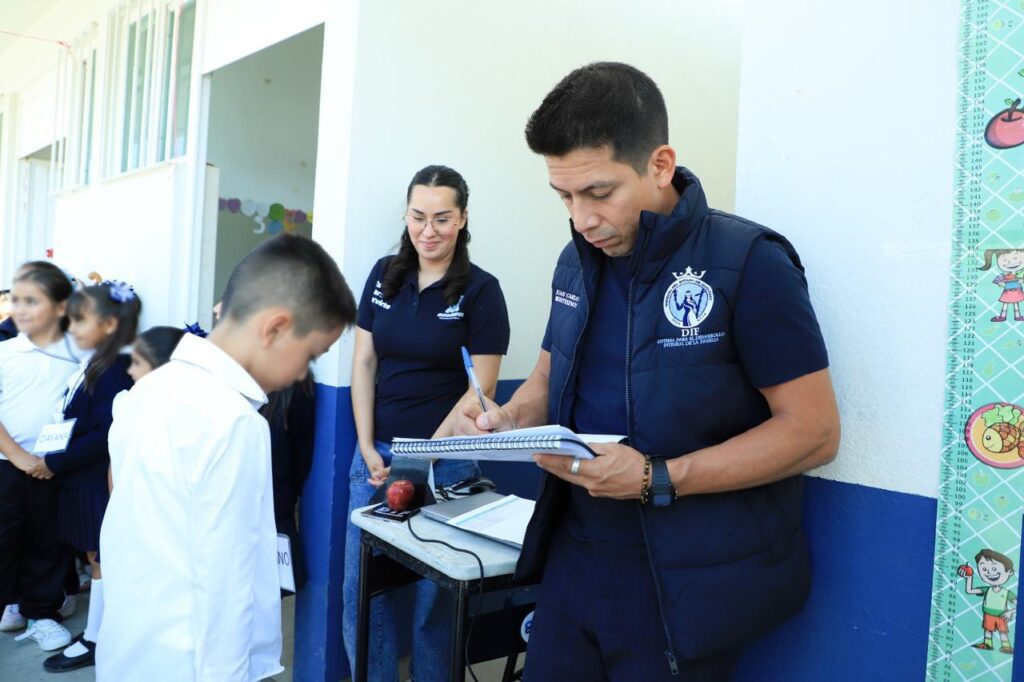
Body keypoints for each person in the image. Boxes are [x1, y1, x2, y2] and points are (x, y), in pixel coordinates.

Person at [455, 62, 840, 680]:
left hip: (686, 582)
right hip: (573, 561)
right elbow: (548, 380)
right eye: (565, 197)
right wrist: (507, 418)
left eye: (599, 192)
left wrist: (655, 477)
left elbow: (814, 433)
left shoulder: (748, 262)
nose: (582, 218)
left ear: (660, 165)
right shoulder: (575, 262)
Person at [97, 235, 356, 681]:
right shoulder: (235, 422)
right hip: (195, 664)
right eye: (310, 356)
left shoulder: (146, 391)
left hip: (130, 645)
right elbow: (226, 582)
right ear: (275, 328)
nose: (301, 373)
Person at [343, 165, 511, 681]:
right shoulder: (383, 275)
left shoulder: (481, 290)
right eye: (418, 216)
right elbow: (364, 362)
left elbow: (479, 389)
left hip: (449, 466)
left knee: (435, 600)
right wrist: (366, 444)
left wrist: (422, 456)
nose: (428, 230)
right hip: (376, 460)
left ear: (462, 219)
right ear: (406, 215)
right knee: (362, 592)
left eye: (442, 218)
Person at [36, 282, 140, 672]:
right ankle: (98, 633)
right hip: (79, 480)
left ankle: (97, 638)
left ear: (110, 324)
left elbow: (105, 432)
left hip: (95, 481)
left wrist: (55, 462)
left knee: (102, 557)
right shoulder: (95, 363)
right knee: (95, 556)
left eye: (80, 320)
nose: (72, 327)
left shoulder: (116, 369)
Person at [0, 262, 81, 652]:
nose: (21, 308)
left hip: (54, 467)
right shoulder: (6, 352)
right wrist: (16, 455)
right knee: (6, 537)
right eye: (17, 300)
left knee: (47, 541)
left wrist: (52, 462)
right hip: (7, 465)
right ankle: (11, 600)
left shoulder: (78, 354)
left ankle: (41, 612)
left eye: (33, 300)